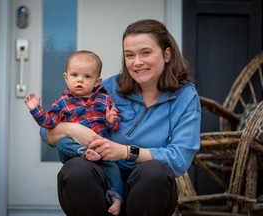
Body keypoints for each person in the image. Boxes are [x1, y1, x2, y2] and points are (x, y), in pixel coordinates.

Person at [41, 19, 201, 216]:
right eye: (129, 55)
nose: (137, 62)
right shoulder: (108, 88)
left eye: (146, 53)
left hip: (148, 187)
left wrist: (125, 152)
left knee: (156, 173)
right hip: (103, 177)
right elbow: (46, 133)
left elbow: (179, 159)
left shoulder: (185, 96)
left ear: (166, 54)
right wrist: (73, 129)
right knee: (76, 169)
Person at [24, 50, 123, 215]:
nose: (80, 80)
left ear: (97, 81)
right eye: (75, 75)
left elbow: (114, 127)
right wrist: (36, 110)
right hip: (75, 150)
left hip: (101, 148)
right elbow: (49, 123)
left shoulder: (104, 99)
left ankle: (117, 198)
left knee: (113, 169)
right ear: (66, 77)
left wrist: (112, 120)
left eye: (87, 77)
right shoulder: (63, 102)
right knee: (63, 142)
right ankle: (84, 152)